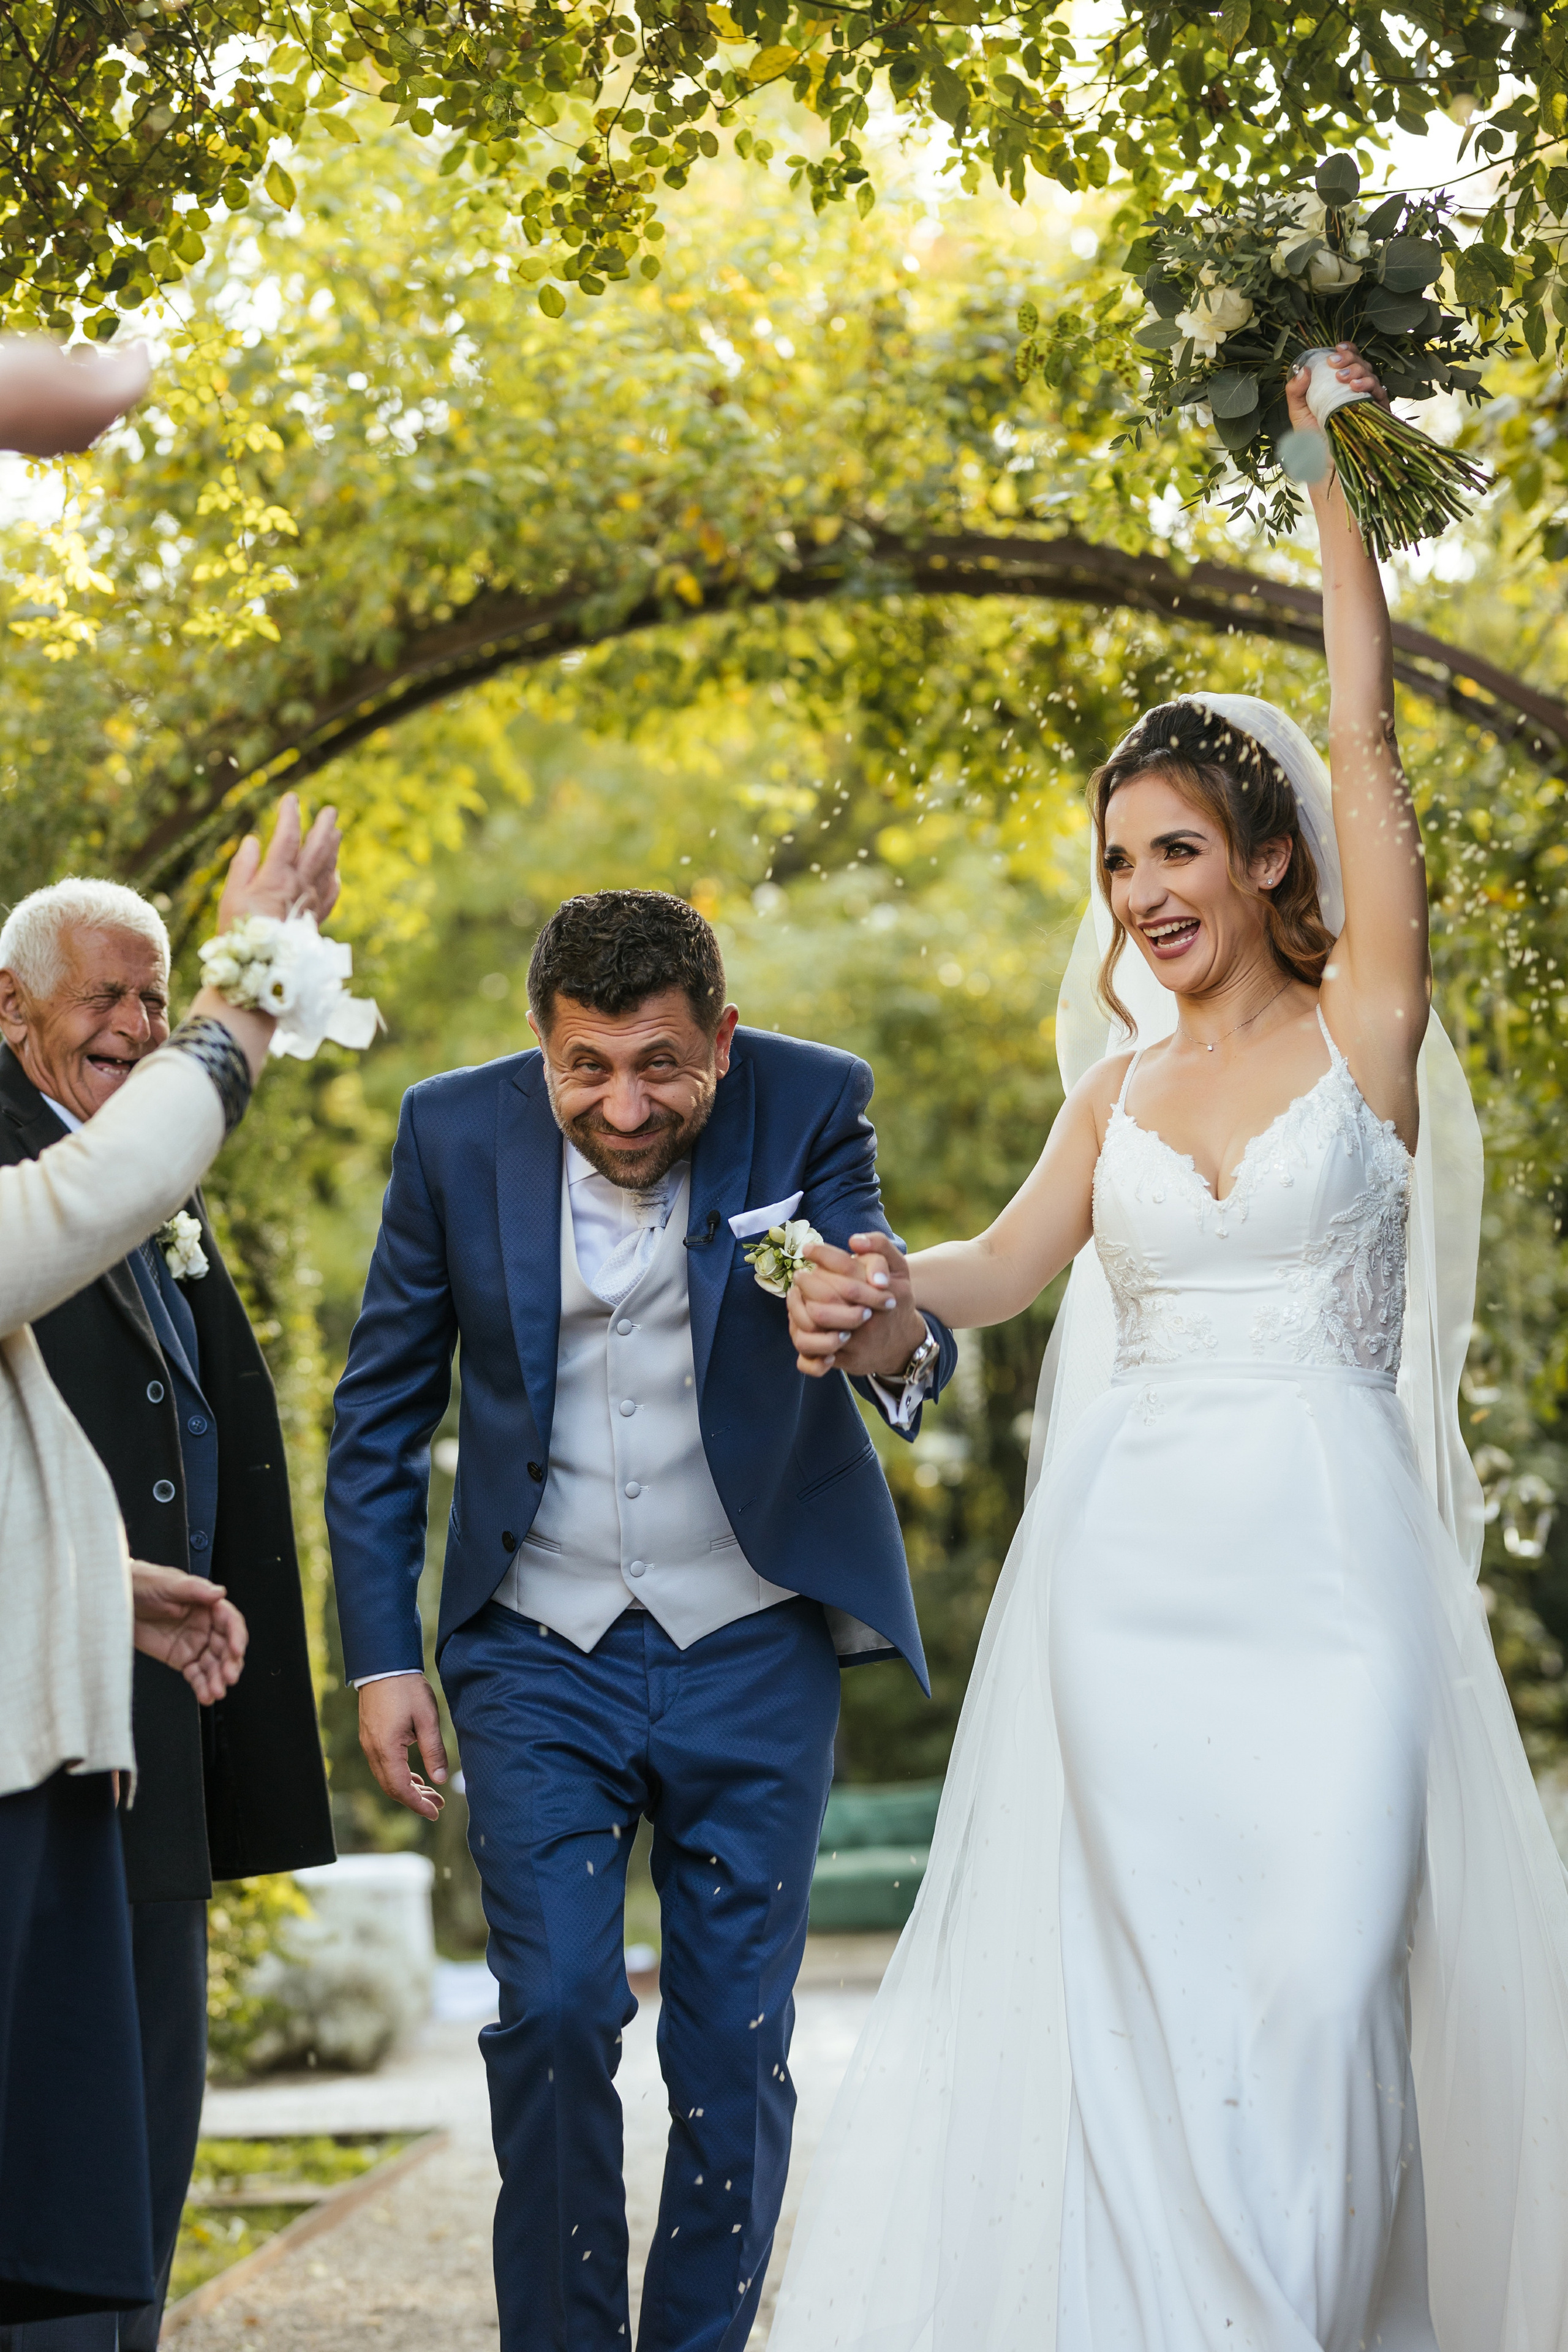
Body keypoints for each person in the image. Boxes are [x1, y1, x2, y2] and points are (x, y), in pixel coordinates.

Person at [773, 347, 1568, 2346]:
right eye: (1120, 864)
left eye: (1180, 852)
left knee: (1315, 1979)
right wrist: (877, 1290)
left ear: (1271, 859)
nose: (1144, 895)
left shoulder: (1364, 1038)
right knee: (1160, 2007)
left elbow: (1368, 740)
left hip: (1335, 1565)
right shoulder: (1114, 1095)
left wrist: (1324, 478)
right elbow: (994, 1271)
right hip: (1128, 1581)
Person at [325, 889, 957, 2352]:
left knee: (731, 2044)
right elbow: (379, 1414)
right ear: (539, 1045)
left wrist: (875, 1326)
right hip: (534, 1645)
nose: (622, 1104)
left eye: (661, 1065)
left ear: (721, 1043)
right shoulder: (448, 1131)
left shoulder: (810, 1100)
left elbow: (886, 1314)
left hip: (751, 1638)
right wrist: (378, 1654)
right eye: (585, 1067)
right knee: (550, 2012)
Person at [0, 793, 345, 2332]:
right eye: (108, 998)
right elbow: (94, 1194)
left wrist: (99, 1576)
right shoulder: (49, 1172)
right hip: (38, 1729)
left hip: (121, 1706)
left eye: (158, 998)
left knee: (109, 2141)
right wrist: (253, 982)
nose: (137, 1026)